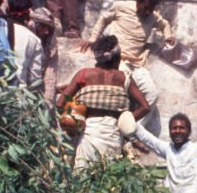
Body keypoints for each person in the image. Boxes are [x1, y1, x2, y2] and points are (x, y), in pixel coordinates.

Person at [57, 36, 150, 168]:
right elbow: (145, 107)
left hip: (89, 132)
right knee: (109, 178)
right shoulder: (124, 78)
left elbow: (60, 103)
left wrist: (72, 116)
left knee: (84, 177)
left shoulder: (84, 74)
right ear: (117, 57)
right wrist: (125, 120)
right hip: (113, 133)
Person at [81, 0, 175, 116]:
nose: (147, 11)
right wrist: (93, 39)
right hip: (118, 61)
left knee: (153, 94)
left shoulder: (153, 17)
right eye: (145, 7)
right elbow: (103, 19)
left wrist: (168, 36)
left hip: (137, 63)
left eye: (151, 9)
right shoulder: (121, 7)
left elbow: (164, 25)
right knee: (120, 94)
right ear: (138, 2)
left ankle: (132, 128)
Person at [29, 6, 59, 112]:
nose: (46, 32)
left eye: (49, 28)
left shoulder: (50, 46)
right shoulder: (23, 38)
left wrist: (48, 103)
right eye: (43, 26)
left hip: (38, 89)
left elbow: (50, 76)